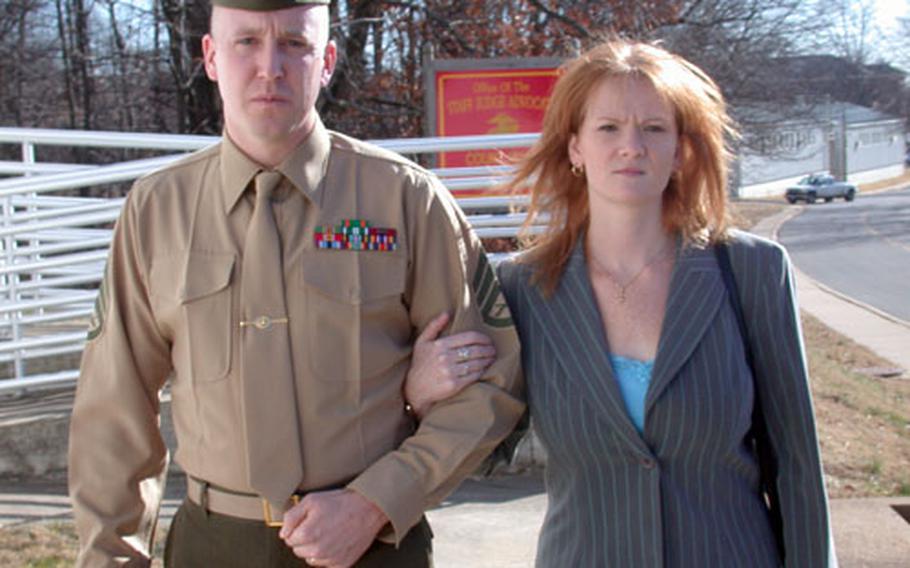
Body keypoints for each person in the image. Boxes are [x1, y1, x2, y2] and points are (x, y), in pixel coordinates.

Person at [67, 0, 523, 566]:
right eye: (247, 42)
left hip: (374, 547)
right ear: (210, 57)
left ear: (327, 59)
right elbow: (114, 410)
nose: (270, 66)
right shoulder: (157, 211)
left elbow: (492, 383)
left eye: (294, 44)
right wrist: (110, 556)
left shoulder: (404, 200)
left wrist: (376, 501)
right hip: (214, 546)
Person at [406, 39, 836, 567]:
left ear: (680, 149)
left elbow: (796, 466)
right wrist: (422, 398)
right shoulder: (522, 288)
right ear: (574, 149)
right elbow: (484, 453)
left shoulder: (753, 272)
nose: (631, 145)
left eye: (654, 128)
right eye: (608, 127)